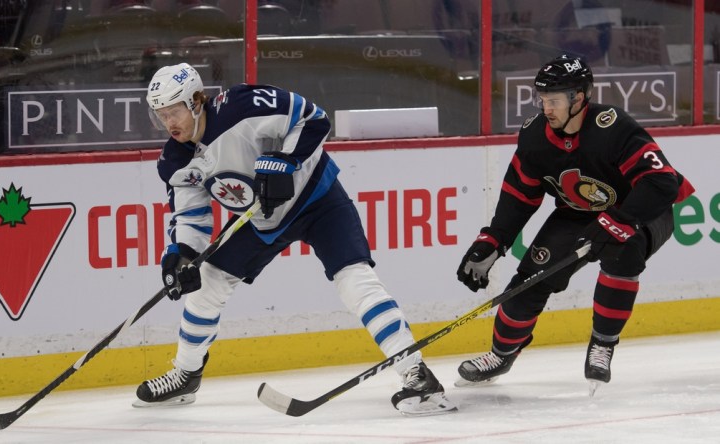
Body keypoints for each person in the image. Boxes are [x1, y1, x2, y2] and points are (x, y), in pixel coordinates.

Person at [133, 62, 457, 416]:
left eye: (174, 111)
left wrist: (285, 162)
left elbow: (314, 119)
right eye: (160, 115)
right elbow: (191, 215)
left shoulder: (242, 106)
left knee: (355, 281)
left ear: (196, 101)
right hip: (261, 219)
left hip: (318, 199)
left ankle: (417, 376)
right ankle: (186, 375)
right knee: (207, 281)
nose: (169, 123)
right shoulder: (174, 160)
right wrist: (182, 254)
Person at [454, 55, 694, 395]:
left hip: (642, 211)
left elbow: (661, 183)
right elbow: (519, 195)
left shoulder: (613, 128)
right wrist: (494, 240)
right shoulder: (535, 137)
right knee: (530, 280)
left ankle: (603, 344)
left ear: (579, 98)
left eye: (553, 101)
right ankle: (501, 354)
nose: (545, 108)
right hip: (578, 213)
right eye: (542, 100)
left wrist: (618, 222)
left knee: (624, 250)